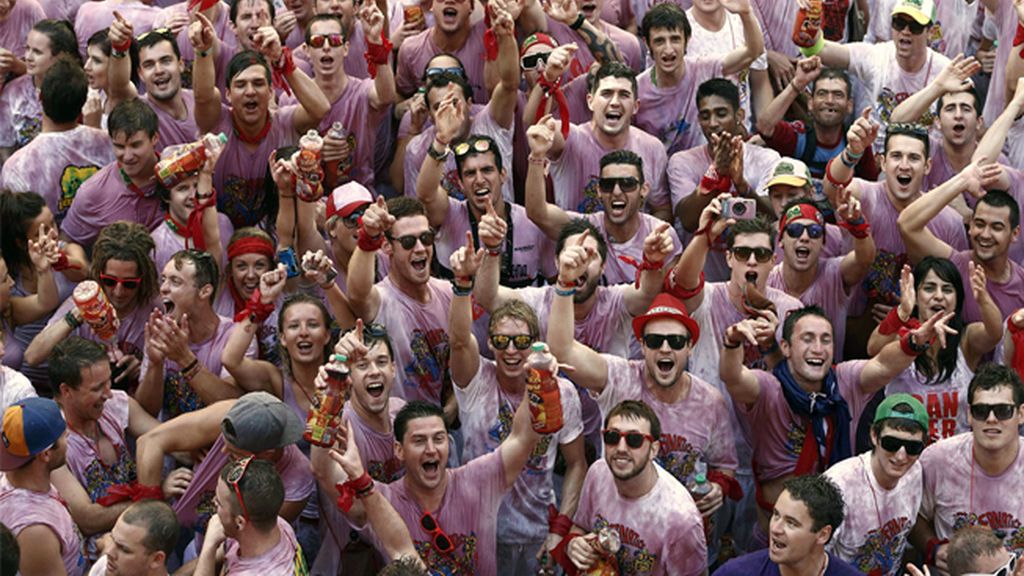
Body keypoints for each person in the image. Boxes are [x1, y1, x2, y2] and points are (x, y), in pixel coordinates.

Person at [719, 305, 940, 546]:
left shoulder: (845, 381)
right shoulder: (769, 389)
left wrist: (913, 343)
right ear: (786, 348)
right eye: (807, 339)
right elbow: (734, 377)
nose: (818, 348)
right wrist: (732, 343)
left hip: (836, 532)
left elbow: (884, 365)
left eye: (826, 340)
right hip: (777, 536)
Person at [447, 241, 586, 575]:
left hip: (537, 533)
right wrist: (462, 285)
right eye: (502, 340)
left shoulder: (561, 391)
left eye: (522, 342)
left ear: (535, 345)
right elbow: (458, 340)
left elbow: (577, 464)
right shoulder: (476, 378)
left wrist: (560, 529)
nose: (512, 351)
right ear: (490, 342)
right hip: (478, 530)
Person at [314, 394, 545, 574]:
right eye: (419, 440)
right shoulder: (380, 501)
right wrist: (326, 399)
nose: (431, 449)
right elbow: (324, 472)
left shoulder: (478, 480)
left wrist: (536, 372)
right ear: (398, 450)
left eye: (438, 438)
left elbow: (522, 437)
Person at [190, 11, 329, 228]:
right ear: (227, 94)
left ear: (271, 90)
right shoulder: (216, 121)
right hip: (220, 231)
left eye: (257, 83)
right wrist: (203, 51)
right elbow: (204, 95)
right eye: (240, 84)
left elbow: (320, 109)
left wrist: (284, 61)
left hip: (276, 229)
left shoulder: (284, 122)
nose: (250, 91)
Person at [550, 400, 708, 575]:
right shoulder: (598, 472)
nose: (621, 448)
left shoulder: (680, 520)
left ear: (654, 450)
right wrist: (574, 544)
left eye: (635, 440)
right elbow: (581, 526)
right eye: (612, 437)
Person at [135, 392, 315, 535]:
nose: (222, 452)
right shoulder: (230, 414)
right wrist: (150, 526)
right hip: (188, 530)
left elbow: (242, 544)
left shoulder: (296, 481)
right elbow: (150, 442)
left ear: (266, 454)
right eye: (222, 443)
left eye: (234, 454)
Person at [308, 319, 407, 575]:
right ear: (349, 377)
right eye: (362, 365)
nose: (374, 371)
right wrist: (330, 388)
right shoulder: (341, 425)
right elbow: (321, 468)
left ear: (394, 369)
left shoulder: (402, 413)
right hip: (352, 564)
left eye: (382, 362)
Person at [525, 125, 681, 286]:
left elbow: (673, 292)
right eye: (608, 184)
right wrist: (537, 156)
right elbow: (537, 212)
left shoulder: (661, 235)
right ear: (599, 190)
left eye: (627, 183)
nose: (617, 191)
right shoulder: (584, 228)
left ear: (643, 189)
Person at [869, 258, 1001, 441]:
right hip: (903, 457)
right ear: (915, 296)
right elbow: (873, 347)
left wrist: (983, 298)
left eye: (947, 289)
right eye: (929, 288)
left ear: (957, 299)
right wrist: (902, 312)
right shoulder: (903, 338)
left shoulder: (965, 339)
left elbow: (994, 333)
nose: (939, 296)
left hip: (955, 459)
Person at [911, 364, 1024, 569]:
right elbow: (910, 515)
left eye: (1003, 410)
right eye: (981, 411)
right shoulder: (938, 459)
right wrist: (933, 548)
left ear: (1021, 414)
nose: (991, 419)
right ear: (969, 415)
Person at [27, 222, 161, 391]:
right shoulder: (85, 301)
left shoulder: (156, 309)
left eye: (129, 284)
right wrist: (75, 316)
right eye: (110, 281)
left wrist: (143, 369)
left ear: (144, 279)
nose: (118, 292)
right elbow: (32, 356)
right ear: (99, 274)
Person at [347, 197, 454, 409]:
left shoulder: (449, 293)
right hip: (393, 427)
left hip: (438, 428)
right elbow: (357, 294)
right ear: (387, 246)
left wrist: (448, 413)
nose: (421, 248)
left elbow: (463, 365)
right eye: (408, 242)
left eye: (426, 237)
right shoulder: (381, 299)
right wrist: (369, 236)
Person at [532, 61, 669, 218]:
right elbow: (539, 130)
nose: (615, 102)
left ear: (636, 106)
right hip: (577, 239)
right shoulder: (570, 139)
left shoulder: (652, 148)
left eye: (623, 95)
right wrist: (548, 78)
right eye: (606, 94)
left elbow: (662, 209)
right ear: (590, 101)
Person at [811, 0, 952, 150]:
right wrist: (809, 20)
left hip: (922, 160)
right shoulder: (877, 56)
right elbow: (821, 49)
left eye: (915, 26)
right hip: (877, 158)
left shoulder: (944, 70)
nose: (905, 31)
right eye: (899, 23)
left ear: (930, 32)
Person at [669, 79, 779, 266]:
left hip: (751, 271)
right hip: (704, 283)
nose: (712, 123)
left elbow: (773, 217)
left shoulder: (767, 159)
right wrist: (715, 174)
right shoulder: (682, 161)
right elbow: (687, 221)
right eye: (705, 116)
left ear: (739, 115)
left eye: (721, 114)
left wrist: (742, 185)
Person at [899, 161, 1024, 325]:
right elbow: (907, 224)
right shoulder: (956, 265)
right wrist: (962, 180)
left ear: (1014, 234)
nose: (985, 234)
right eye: (979, 224)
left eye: (997, 227)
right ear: (970, 226)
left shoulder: (1021, 283)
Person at [137, 250, 252, 419]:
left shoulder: (235, 336)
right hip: (171, 441)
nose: (163, 289)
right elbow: (146, 413)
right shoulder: (161, 335)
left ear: (204, 292)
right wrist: (155, 364)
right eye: (163, 280)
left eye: (175, 282)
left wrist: (185, 358)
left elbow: (235, 408)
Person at [0, 57, 114, 226]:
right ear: (83, 102)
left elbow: (16, 232)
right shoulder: (110, 144)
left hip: (49, 250)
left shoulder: (17, 167)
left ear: (40, 97)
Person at [823, 394, 929, 576]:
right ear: (874, 435)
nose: (901, 456)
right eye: (891, 443)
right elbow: (812, 556)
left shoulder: (915, 472)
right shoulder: (840, 483)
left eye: (912, 447)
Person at [296, 8, 396, 190]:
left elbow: (386, 96)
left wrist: (375, 42)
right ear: (306, 51)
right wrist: (315, 152)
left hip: (358, 197)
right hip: (311, 200)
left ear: (346, 49)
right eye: (318, 41)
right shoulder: (293, 98)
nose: (326, 47)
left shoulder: (361, 91)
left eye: (334, 41)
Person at [767, 197, 875, 361]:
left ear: (823, 242)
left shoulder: (835, 273)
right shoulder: (767, 282)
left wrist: (858, 225)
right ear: (781, 240)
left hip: (825, 382)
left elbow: (864, 259)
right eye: (795, 230)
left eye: (814, 232)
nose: (804, 237)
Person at [756, 58, 879, 191]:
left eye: (838, 95)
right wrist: (797, 83)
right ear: (810, 103)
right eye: (822, 94)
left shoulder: (856, 142)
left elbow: (870, 187)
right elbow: (765, 126)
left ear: (849, 106)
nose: (829, 101)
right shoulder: (798, 137)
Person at [61, 98, 166, 250]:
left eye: (136, 145)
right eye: (119, 147)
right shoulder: (93, 192)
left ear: (155, 138)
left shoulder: (177, 175)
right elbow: (66, 242)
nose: (128, 156)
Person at [0, 397, 84, 575]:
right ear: (46, 454)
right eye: (62, 434)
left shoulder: (22, 477)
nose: (68, 434)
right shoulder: (34, 531)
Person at [714, 474, 861, 575]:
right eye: (776, 515)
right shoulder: (735, 573)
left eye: (791, 523)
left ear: (823, 534)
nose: (775, 529)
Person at [889, 55, 988, 194]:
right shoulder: (927, 149)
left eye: (966, 109)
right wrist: (938, 86)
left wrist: (965, 214)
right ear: (938, 122)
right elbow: (897, 123)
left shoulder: (991, 158)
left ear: (979, 122)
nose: (958, 115)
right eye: (950, 108)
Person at [193, 459, 307, 575]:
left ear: (240, 522)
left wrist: (208, 546)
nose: (213, 502)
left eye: (219, 502)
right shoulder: (278, 523)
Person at [105, 14, 199, 152]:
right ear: (140, 73)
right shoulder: (136, 111)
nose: (158, 70)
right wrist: (120, 47)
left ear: (181, 64)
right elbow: (119, 87)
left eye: (165, 61)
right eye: (149, 65)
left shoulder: (201, 103)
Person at [0, 19, 78, 159]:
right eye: (27, 48)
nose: (28, 57)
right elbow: (6, 147)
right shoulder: (13, 91)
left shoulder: (77, 89)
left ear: (60, 56)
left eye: (37, 52)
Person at [87, 500, 180, 576]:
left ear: (157, 559)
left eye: (124, 549)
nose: (109, 552)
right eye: (112, 539)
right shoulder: (104, 566)